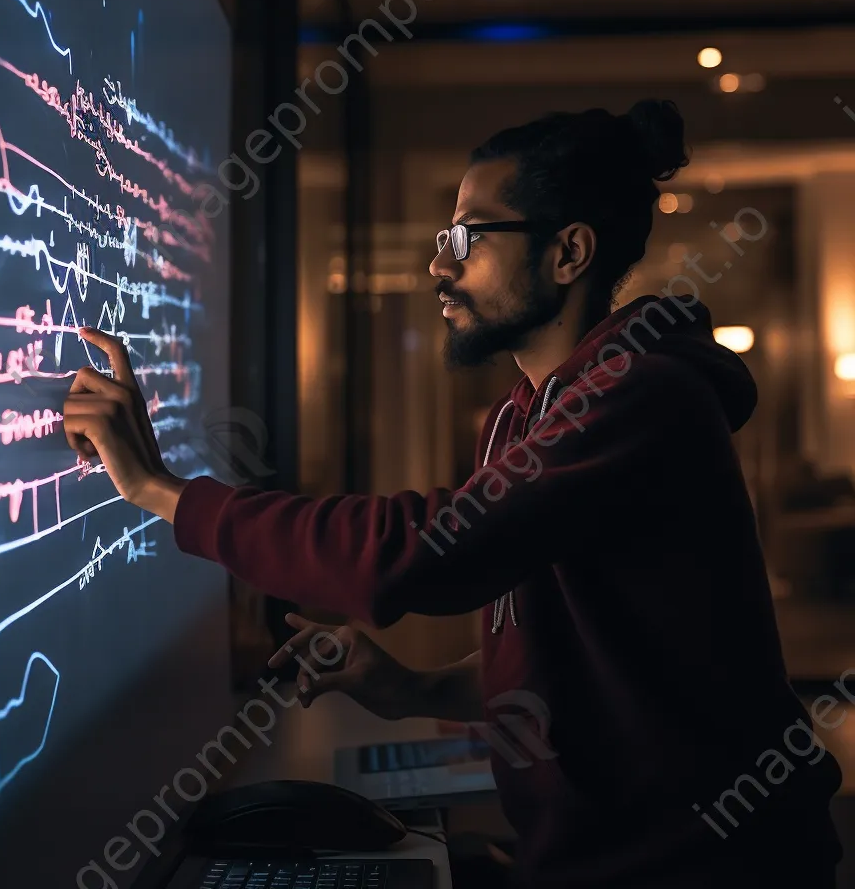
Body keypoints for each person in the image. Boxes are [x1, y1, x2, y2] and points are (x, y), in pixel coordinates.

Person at [62, 100, 842, 889]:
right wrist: (413, 690)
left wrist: (160, 489)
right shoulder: (521, 415)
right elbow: (565, 656)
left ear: (568, 252)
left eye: (468, 238)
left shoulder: (641, 396)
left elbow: (421, 552)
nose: (440, 265)